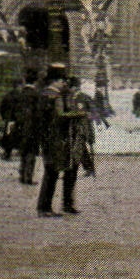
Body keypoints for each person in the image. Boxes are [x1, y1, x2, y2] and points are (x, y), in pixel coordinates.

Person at [35, 68, 85, 216]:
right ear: (55, 81)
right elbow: (60, 115)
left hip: (49, 137)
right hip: (55, 139)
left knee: (53, 172)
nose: (64, 84)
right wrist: (78, 114)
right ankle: (45, 208)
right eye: (62, 81)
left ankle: (47, 207)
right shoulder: (53, 95)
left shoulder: (45, 94)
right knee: (52, 172)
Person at [14, 76, 41, 185]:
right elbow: (38, 113)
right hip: (32, 128)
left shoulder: (20, 94)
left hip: (21, 128)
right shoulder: (36, 94)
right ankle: (28, 177)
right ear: (35, 81)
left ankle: (21, 176)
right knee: (31, 154)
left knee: (23, 153)